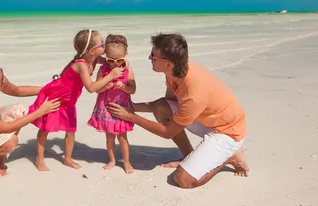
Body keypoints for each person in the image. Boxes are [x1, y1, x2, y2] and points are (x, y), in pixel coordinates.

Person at [107, 33, 249, 188]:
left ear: (169, 64)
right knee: (162, 108)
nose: (149, 58)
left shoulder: (193, 94)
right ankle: (188, 156)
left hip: (227, 132)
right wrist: (133, 106)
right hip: (209, 118)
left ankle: (230, 158)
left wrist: (130, 116)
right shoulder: (176, 71)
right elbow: (166, 104)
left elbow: (167, 132)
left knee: (183, 180)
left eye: (154, 57)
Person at [28, 29, 124, 171]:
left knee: (71, 129)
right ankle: (39, 159)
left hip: (69, 100)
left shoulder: (95, 59)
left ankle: (67, 159)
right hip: (56, 96)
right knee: (45, 129)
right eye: (102, 44)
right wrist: (110, 76)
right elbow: (91, 88)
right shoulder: (81, 64)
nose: (104, 45)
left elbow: (111, 61)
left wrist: (122, 59)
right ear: (91, 51)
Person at [87, 34, 136, 174]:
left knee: (122, 137)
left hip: (121, 108)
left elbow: (133, 90)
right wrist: (105, 86)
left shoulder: (128, 71)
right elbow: (97, 89)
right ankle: (112, 160)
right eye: (111, 60)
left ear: (126, 55)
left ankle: (126, 162)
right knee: (109, 137)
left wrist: (123, 87)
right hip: (106, 109)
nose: (115, 63)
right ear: (105, 57)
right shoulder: (103, 70)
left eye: (119, 60)